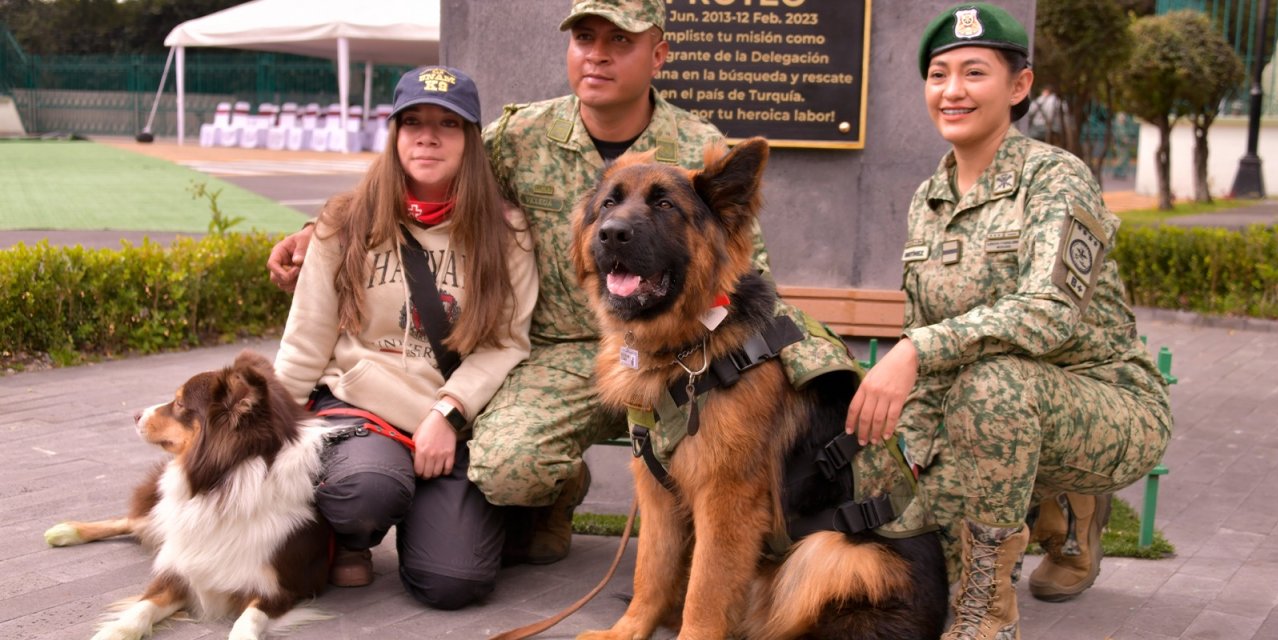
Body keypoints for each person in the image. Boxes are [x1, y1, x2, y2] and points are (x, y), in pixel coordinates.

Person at [269, 0, 855, 566]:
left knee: (722, 462)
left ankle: (697, 549)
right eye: (584, 39)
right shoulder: (519, 136)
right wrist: (317, 233)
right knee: (506, 466)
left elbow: (750, 278)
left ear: (658, 55)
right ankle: (557, 490)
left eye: (619, 41)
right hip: (559, 357)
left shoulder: (699, 151)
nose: (597, 55)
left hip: (677, 356)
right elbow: (427, 176)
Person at [843, 4, 1172, 639]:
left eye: (974, 72)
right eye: (939, 75)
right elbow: (933, 361)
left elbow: (1045, 316)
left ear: (1018, 86)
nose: (953, 91)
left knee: (996, 382)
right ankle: (1038, 506)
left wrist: (912, 351)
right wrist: (905, 460)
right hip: (981, 416)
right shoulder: (929, 198)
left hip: (1105, 402)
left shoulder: (1057, 178)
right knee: (900, 542)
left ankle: (988, 615)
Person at [272, 65, 538, 609]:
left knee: (454, 582)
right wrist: (270, 430)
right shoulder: (345, 221)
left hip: (446, 424)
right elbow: (307, 336)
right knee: (365, 491)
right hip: (360, 407)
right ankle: (351, 536)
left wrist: (448, 412)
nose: (428, 136)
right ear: (394, 133)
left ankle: (443, 517)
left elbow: (506, 343)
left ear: (471, 139)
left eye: (448, 123)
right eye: (412, 121)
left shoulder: (505, 232)